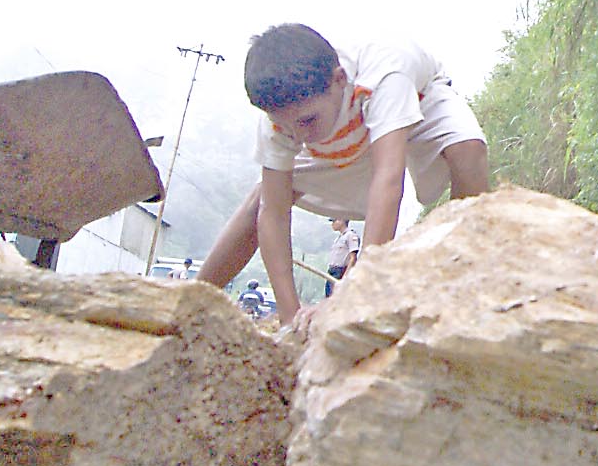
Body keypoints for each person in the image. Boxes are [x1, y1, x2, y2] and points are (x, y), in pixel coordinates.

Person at [196, 24, 490, 326]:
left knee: (468, 149)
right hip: (345, 140)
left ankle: (460, 278)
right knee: (260, 201)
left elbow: (388, 180)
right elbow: (273, 212)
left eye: (306, 121)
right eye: (285, 126)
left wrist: (355, 294)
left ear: (339, 80)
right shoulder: (284, 119)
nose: (299, 137)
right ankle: (188, 303)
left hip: (418, 107)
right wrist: (289, 317)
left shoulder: (385, 74)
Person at [325, 216, 362, 296]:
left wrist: (346, 276)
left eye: (334, 221)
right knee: (328, 297)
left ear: (341, 221)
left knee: (335, 298)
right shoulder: (339, 237)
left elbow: (353, 258)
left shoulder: (351, 236)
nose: (332, 224)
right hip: (332, 271)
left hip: (340, 271)